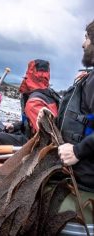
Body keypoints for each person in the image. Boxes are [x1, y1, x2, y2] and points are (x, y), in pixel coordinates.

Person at [0, 59, 59, 157]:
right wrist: (16, 126)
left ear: (31, 74)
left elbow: (46, 135)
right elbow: (35, 123)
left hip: (32, 144)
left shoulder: (34, 102)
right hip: (29, 136)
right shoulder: (49, 95)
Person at [57, 20, 94, 191]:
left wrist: (78, 151)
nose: (83, 44)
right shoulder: (89, 78)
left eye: (87, 37)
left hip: (85, 172)